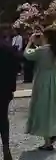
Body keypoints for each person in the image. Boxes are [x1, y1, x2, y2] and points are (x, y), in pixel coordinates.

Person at [24, 28, 56, 150]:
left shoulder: (43, 50)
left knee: (42, 107)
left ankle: (47, 141)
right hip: (53, 78)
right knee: (51, 107)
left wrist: (30, 42)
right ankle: (50, 135)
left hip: (43, 79)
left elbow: (27, 54)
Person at [0, 31, 19, 160]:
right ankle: (6, 148)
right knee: (3, 118)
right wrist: (12, 88)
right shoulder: (8, 48)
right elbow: (15, 68)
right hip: (4, 89)